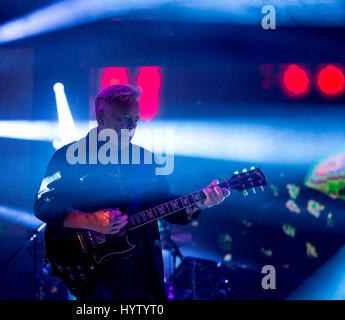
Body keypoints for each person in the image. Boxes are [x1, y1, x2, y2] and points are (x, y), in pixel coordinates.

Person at [34, 84, 230, 300]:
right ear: (101, 117)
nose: (131, 127)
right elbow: (44, 204)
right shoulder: (69, 156)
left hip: (143, 271)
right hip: (95, 272)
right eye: (123, 119)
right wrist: (90, 220)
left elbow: (167, 206)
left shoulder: (145, 159)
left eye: (135, 120)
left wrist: (201, 201)